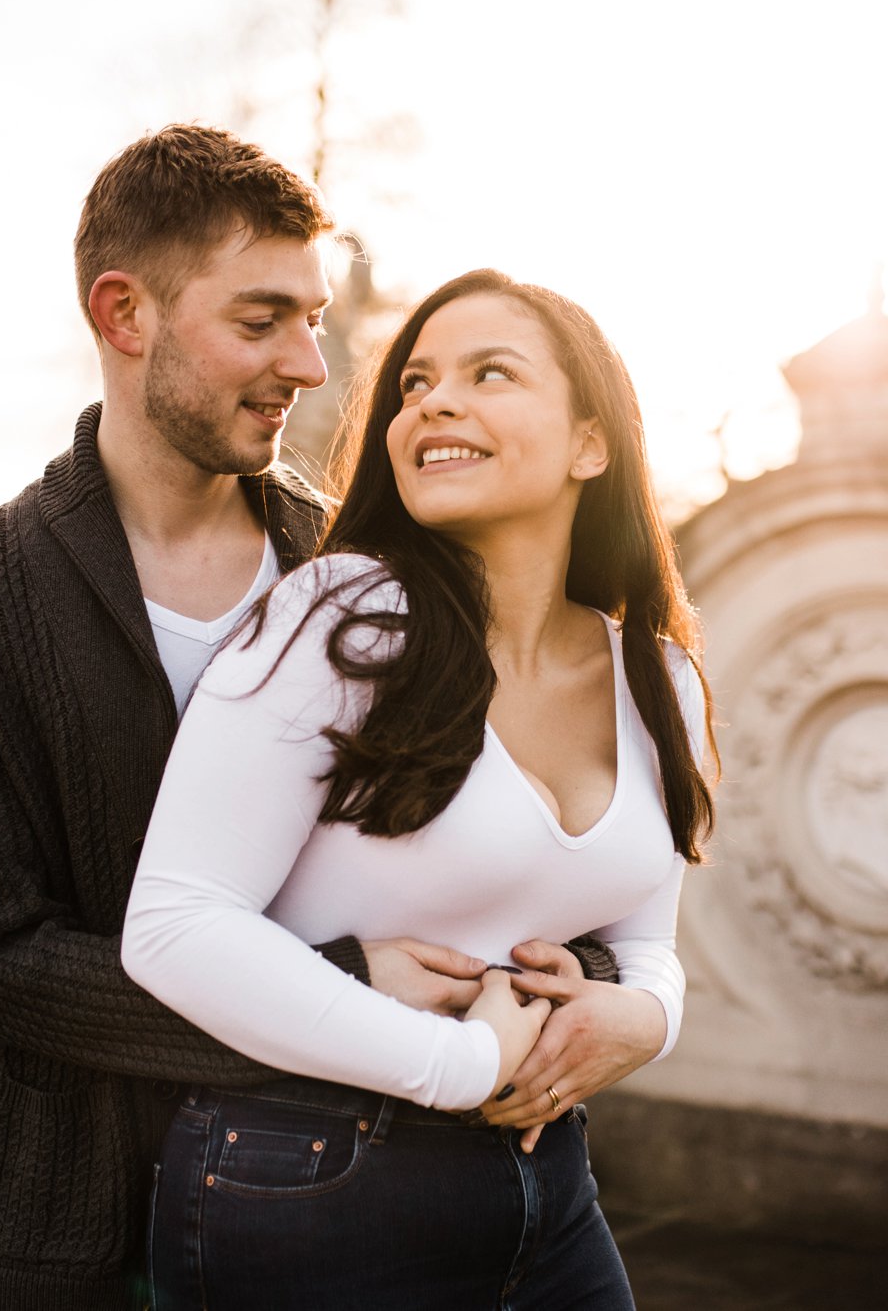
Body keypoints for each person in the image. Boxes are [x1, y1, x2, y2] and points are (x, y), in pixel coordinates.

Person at [0, 127, 634, 1308]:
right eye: (261, 319)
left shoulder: (363, 566)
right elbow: (3, 962)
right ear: (124, 315)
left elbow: (503, 819)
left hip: (363, 1189)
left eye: (314, 318)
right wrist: (336, 986)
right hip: (83, 1214)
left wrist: (591, 981)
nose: (311, 364)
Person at [121, 268, 717, 1308]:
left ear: (590, 442)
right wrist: (459, 1062)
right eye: (414, 383)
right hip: (303, 1179)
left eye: (490, 373)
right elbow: (172, 923)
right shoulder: (338, 621)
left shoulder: (655, 676)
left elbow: (647, 940)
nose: (433, 401)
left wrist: (648, 1018)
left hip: (547, 1183)